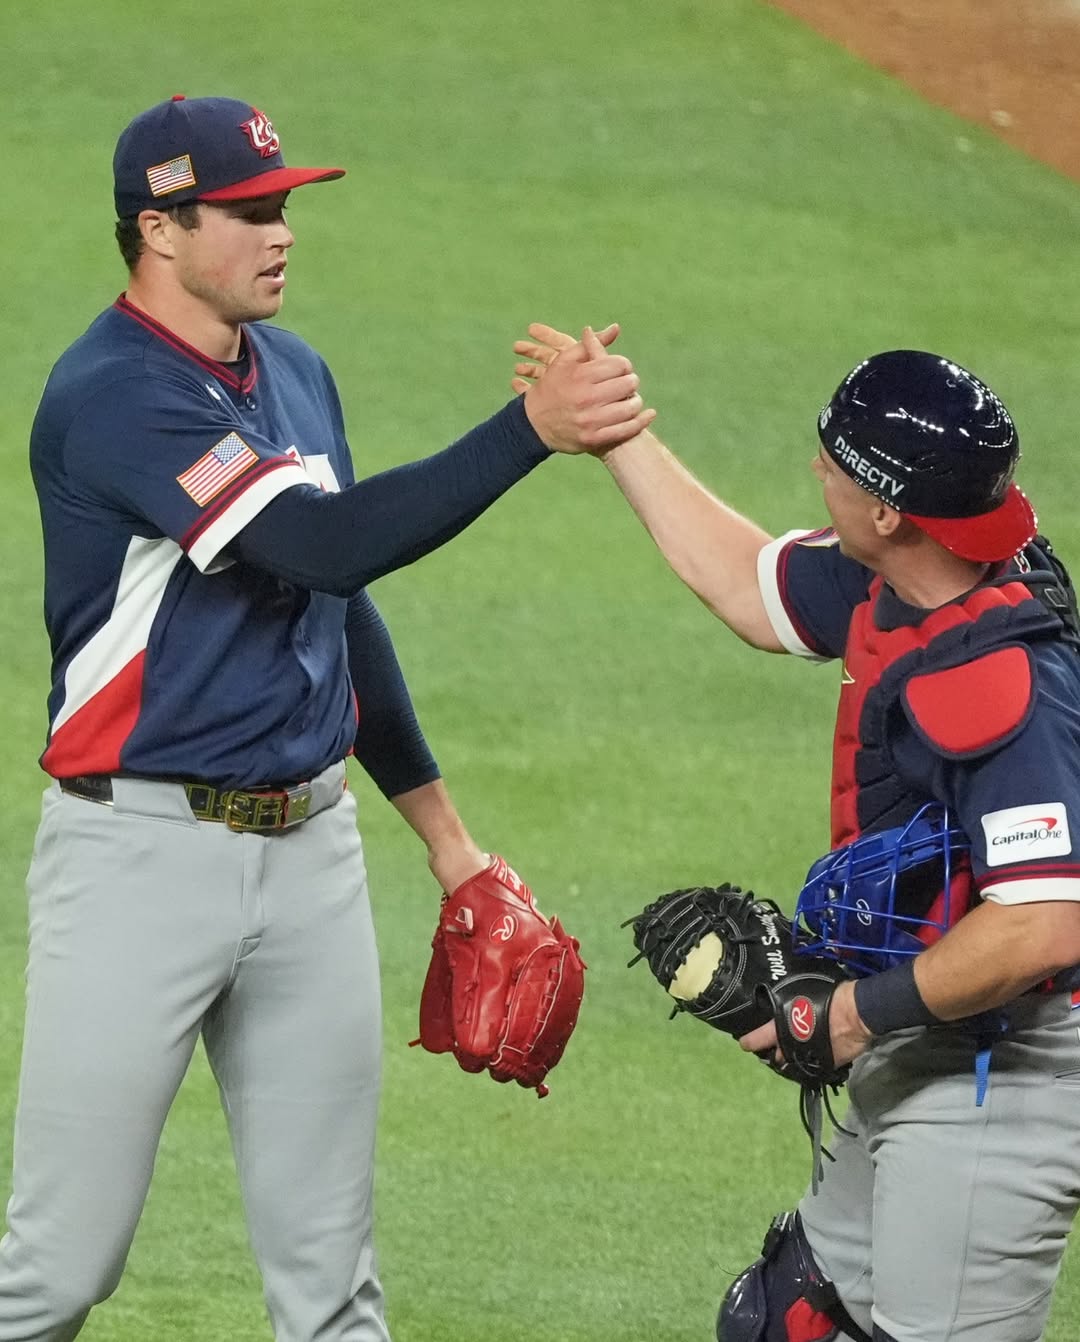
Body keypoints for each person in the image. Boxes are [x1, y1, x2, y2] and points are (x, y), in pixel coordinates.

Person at [6, 98, 654, 1342]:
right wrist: (530, 429)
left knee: (334, 1286)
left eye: (286, 204)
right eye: (250, 210)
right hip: (140, 859)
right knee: (58, 1270)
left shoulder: (295, 374)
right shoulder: (114, 395)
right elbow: (327, 540)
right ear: (159, 228)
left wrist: (450, 842)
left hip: (312, 856)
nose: (282, 230)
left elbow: (334, 603)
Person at [514, 329, 1080, 1342]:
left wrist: (855, 1012)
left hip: (1009, 1073)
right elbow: (749, 583)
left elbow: (1042, 925)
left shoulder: (1001, 684)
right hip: (939, 1031)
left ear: (889, 509)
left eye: (835, 464)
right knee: (790, 1320)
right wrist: (616, 434)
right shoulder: (914, 573)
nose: (816, 469)